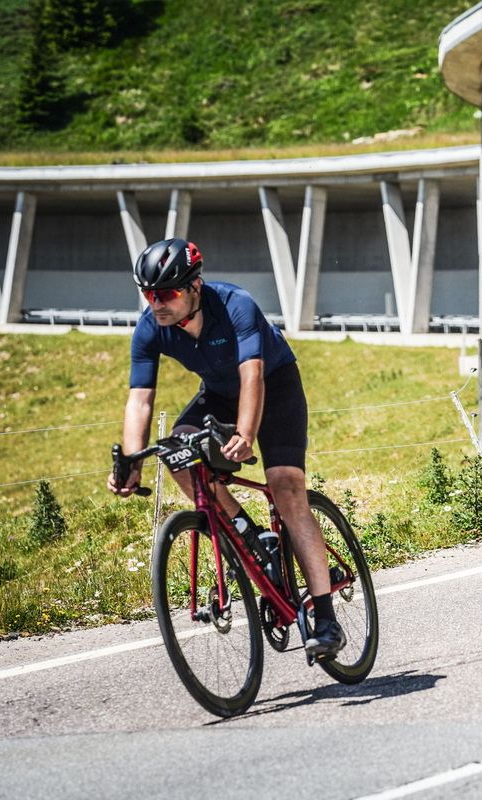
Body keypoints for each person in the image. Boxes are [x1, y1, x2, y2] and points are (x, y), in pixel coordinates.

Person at [107, 238, 346, 658]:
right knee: (175, 451)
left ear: (194, 287)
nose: (157, 303)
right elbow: (140, 399)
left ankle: (324, 616)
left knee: (286, 487)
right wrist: (131, 460)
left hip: (275, 388)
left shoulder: (235, 304)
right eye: (149, 294)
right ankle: (249, 533)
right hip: (218, 394)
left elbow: (252, 374)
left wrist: (247, 434)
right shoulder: (151, 327)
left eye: (167, 293)